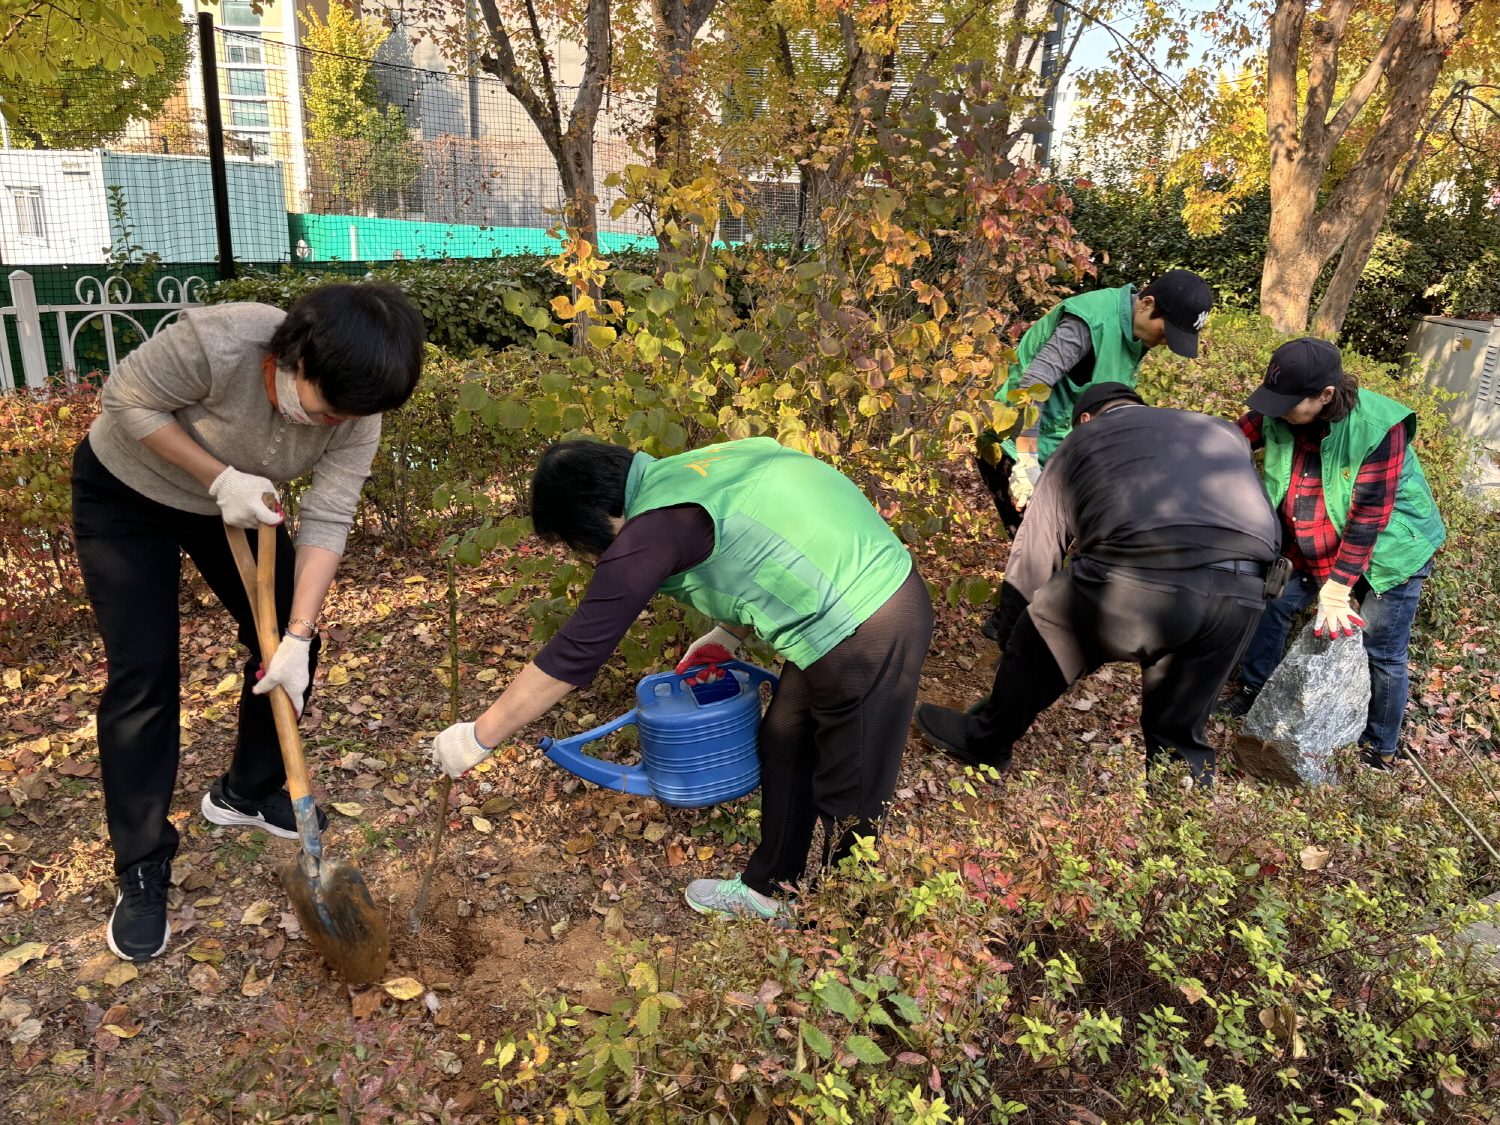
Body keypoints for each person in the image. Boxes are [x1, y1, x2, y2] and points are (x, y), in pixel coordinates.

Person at [432, 437, 933, 920]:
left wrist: (478, 737)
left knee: (853, 789)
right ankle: (770, 891)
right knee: (785, 738)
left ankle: (849, 926)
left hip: (870, 618)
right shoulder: (685, 475)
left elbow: (576, 652)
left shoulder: (655, 527)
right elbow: (765, 544)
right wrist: (725, 636)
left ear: (592, 519)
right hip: (837, 610)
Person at [73, 283, 425, 962]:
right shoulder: (222, 341)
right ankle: (141, 865)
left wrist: (297, 635)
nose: (334, 426)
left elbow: (329, 516)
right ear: (294, 358)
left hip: (227, 504)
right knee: (145, 669)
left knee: (295, 638)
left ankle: (248, 789)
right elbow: (125, 399)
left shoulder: (358, 410)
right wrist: (217, 478)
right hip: (127, 489)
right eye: (327, 411)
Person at [918, 382, 1279, 784]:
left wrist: (1015, 639)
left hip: (1137, 580)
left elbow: (1035, 555)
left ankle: (985, 739)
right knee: (1179, 735)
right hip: (1244, 593)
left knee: (1048, 622)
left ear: (1085, 419)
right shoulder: (1220, 430)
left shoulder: (1081, 441)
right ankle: (1182, 813)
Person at [1216, 338, 1446, 769]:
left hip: (1390, 549)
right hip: (1313, 542)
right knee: (1272, 604)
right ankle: (1253, 691)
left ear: (1324, 396)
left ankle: (1379, 750)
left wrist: (1338, 590)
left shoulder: (1378, 428)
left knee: (1383, 649)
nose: (1276, 409)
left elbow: (1368, 517)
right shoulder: (1279, 409)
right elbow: (1225, 441)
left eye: (1287, 402)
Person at [978, 269, 1216, 539]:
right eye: (1165, 333)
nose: (1165, 342)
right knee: (1035, 547)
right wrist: (1027, 461)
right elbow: (1034, 385)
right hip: (1018, 447)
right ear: (1147, 304)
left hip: (1067, 453)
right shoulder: (1091, 322)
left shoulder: (1137, 331)